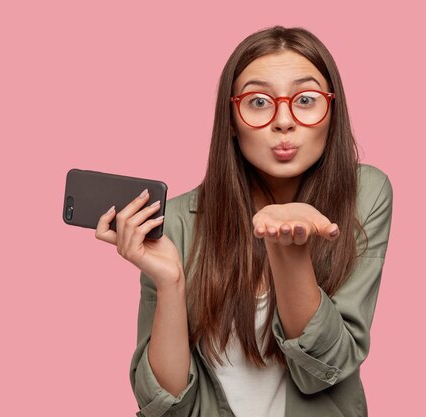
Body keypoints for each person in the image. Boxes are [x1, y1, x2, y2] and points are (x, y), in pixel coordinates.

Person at [95, 25, 393, 417]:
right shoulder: (180, 224)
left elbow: (323, 372)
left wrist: (288, 249)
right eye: (257, 102)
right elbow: (168, 409)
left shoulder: (363, 195)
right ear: (231, 122)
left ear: (331, 112)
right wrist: (170, 284)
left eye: (305, 99)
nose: (283, 122)